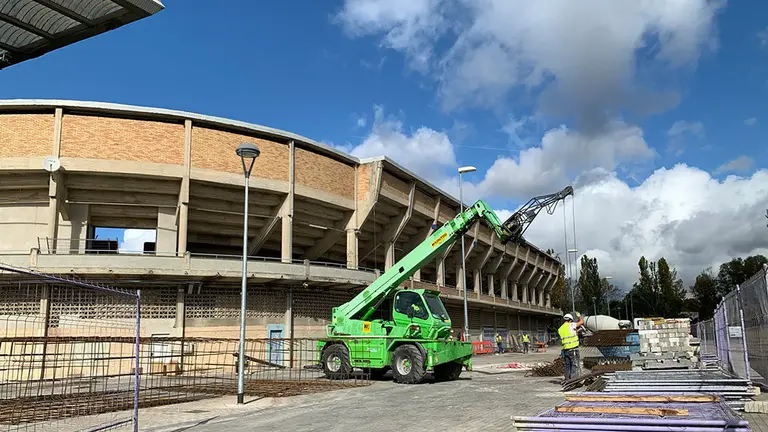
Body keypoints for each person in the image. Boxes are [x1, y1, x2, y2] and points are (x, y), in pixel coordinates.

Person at [559, 312, 584, 382]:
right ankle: (574, 381)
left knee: (567, 365)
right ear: (570, 320)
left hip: (565, 350)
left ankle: (567, 380)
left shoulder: (560, 329)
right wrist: (579, 316)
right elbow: (581, 322)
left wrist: (576, 332)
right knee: (575, 365)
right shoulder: (571, 325)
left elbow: (568, 335)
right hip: (573, 350)